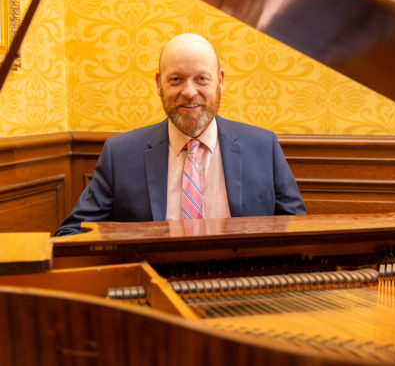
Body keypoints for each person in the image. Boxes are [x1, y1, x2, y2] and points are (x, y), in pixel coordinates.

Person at [55, 33, 305, 236]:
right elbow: (71, 233)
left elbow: (298, 230)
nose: (188, 91)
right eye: (176, 79)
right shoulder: (120, 154)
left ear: (220, 81)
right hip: (151, 287)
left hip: (244, 289)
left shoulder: (263, 147)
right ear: (158, 84)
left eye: (201, 79)